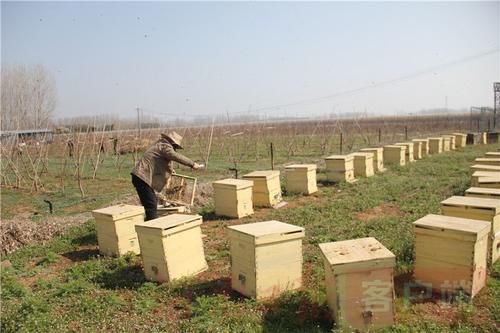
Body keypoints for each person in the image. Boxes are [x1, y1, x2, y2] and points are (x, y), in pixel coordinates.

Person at [131, 131, 201, 221]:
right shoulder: (165, 146)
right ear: (172, 142)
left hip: (141, 177)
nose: (175, 148)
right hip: (142, 177)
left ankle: (149, 227)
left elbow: (160, 161)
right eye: (175, 146)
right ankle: (153, 229)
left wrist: (170, 170)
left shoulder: (160, 145)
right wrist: (192, 164)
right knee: (151, 205)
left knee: (151, 204)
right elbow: (175, 156)